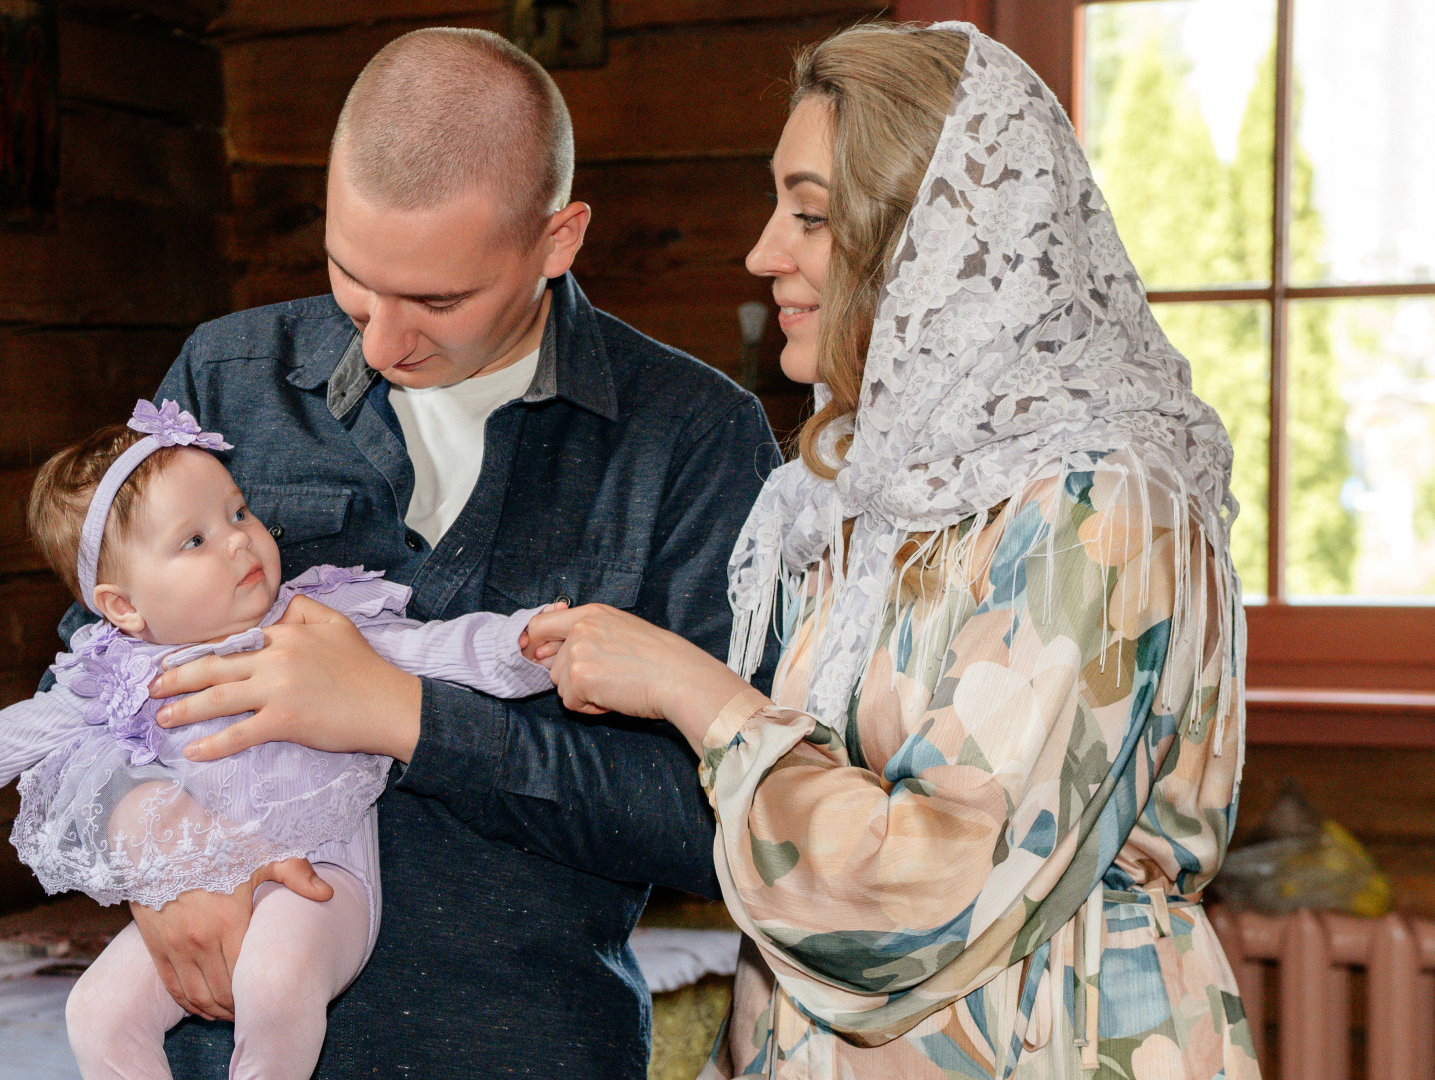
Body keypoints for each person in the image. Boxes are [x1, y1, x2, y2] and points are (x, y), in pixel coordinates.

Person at [524, 21, 1256, 1080]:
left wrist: (696, 696)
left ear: (938, 244)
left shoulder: (1099, 504)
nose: (762, 253)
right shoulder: (856, 493)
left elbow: (931, 902)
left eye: (812, 216)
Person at [48, 26, 780, 1080]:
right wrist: (142, 840)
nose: (383, 342)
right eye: (351, 277)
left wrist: (407, 717)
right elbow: (82, 680)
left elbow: (717, 823)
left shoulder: (696, 439)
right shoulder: (228, 375)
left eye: (438, 300)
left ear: (558, 239)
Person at [0, 400, 554, 1079]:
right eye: (194, 541)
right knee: (96, 1012)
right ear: (124, 607)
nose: (239, 540)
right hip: (196, 886)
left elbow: (434, 647)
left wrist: (522, 644)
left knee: (274, 979)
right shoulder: (117, 673)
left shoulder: (312, 623)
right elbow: (22, 730)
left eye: (239, 513)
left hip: (320, 880)